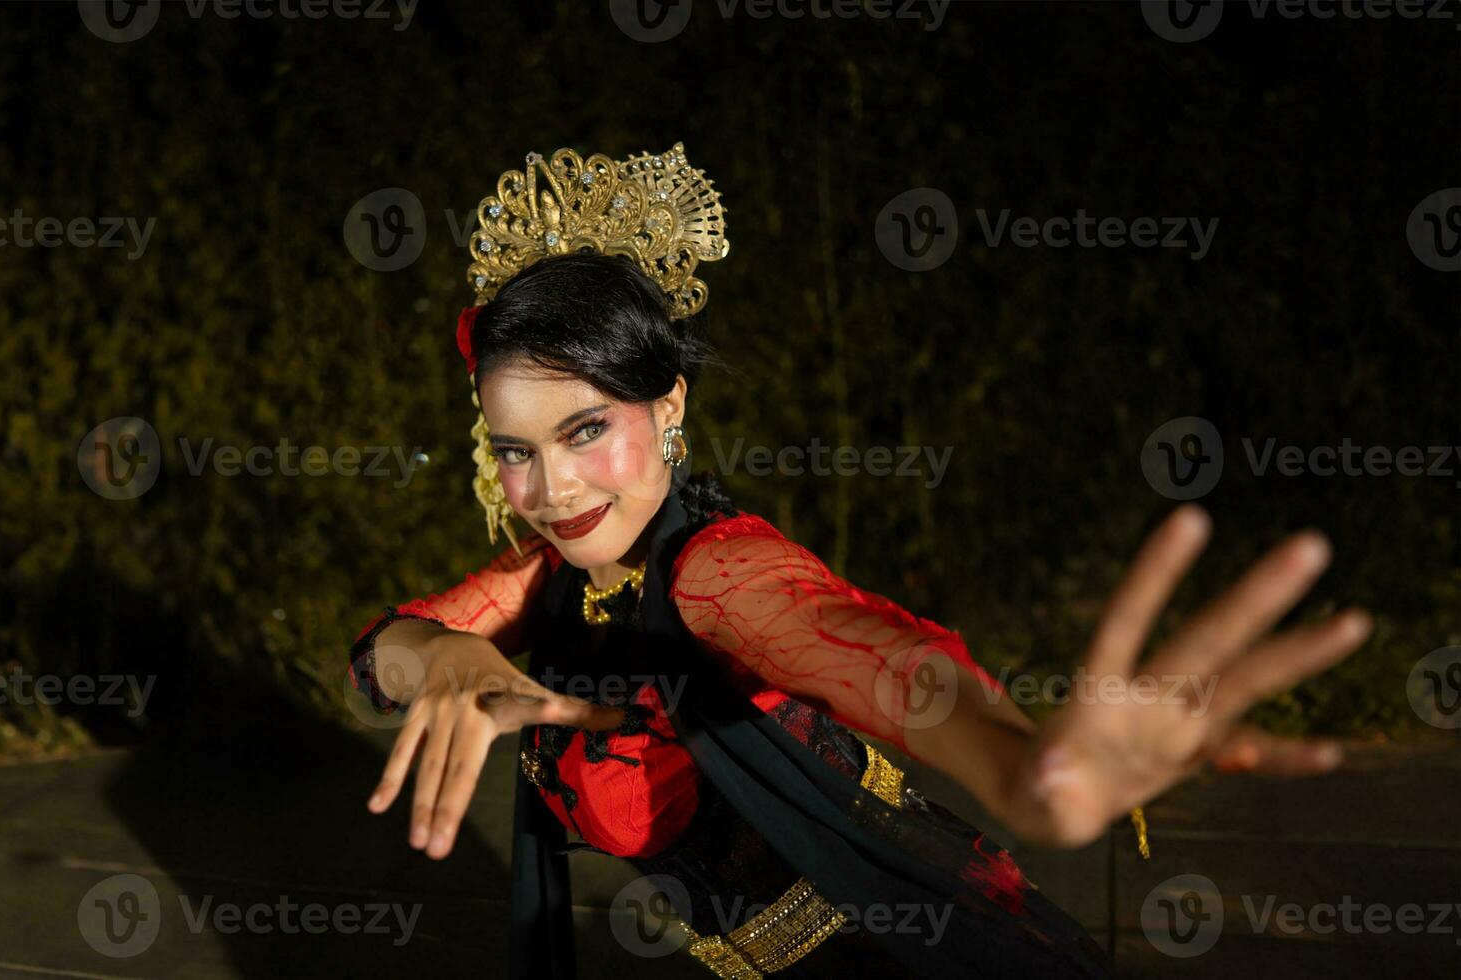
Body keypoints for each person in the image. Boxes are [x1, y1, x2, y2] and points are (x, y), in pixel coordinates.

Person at [346, 144, 1370, 978]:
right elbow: (376, 650)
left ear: (668, 408)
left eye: (582, 432)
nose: (551, 489)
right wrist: (437, 659)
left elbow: (871, 655)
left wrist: (1015, 762)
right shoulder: (553, 574)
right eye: (515, 452)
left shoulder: (714, 569)